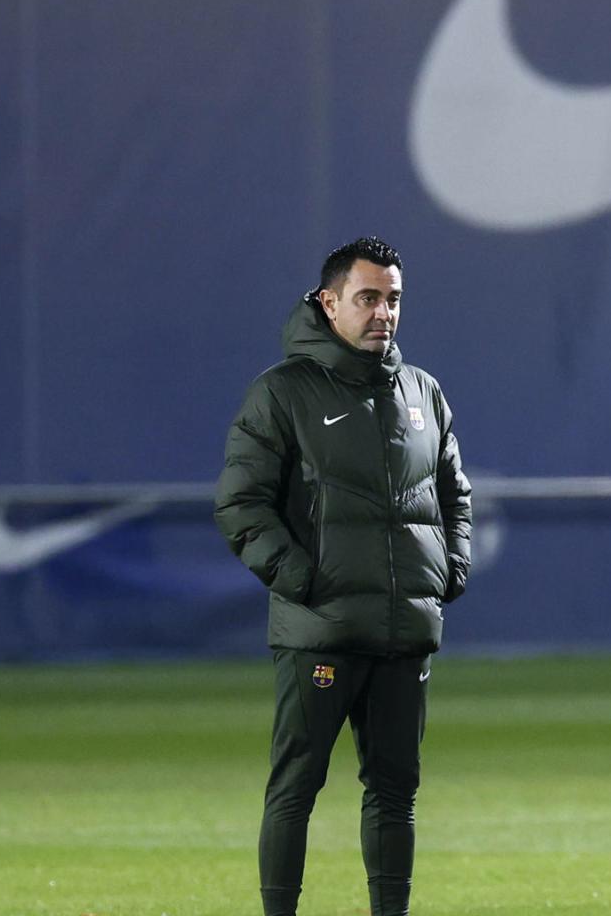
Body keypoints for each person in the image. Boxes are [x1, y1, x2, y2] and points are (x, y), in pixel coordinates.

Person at [214, 236, 472, 916]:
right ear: (329, 303)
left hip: (402, 632)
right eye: (367, 298)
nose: (383, 312)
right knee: (296, 788)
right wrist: (304, 580)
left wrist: (451, 565)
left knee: (396, 792)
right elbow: (240, 504)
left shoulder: (422, 391)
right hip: (320, 632)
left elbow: (454, 494)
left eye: (392, 299)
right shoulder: (283, 393)